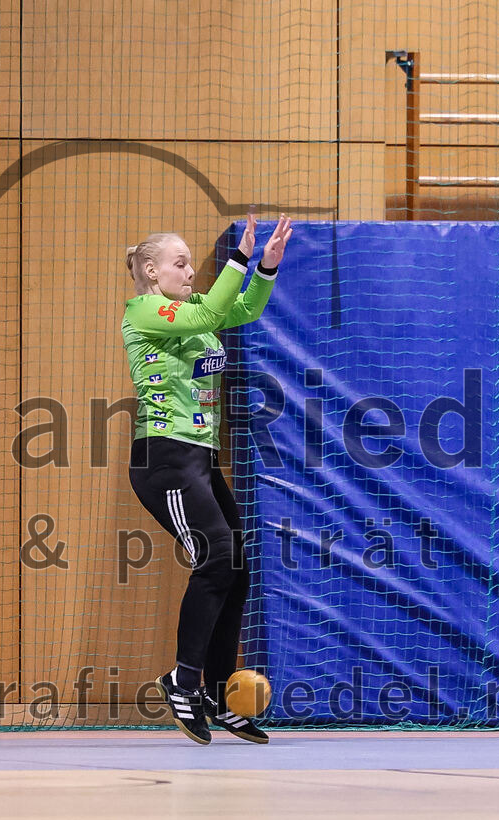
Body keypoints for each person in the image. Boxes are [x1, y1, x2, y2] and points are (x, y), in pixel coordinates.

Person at [122, 213, 292, 745]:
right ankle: (183, 680)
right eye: (180, 262)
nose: (191, 270)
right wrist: (238, 260)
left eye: (192, 263)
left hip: (200, 457)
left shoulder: (194, 310)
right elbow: (219, 305)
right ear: (151, 271)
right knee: (216, 555)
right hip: (164, 457)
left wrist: (264, 269)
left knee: (236, 565)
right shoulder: (145, 310)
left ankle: (217, 697)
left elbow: (240, 308)